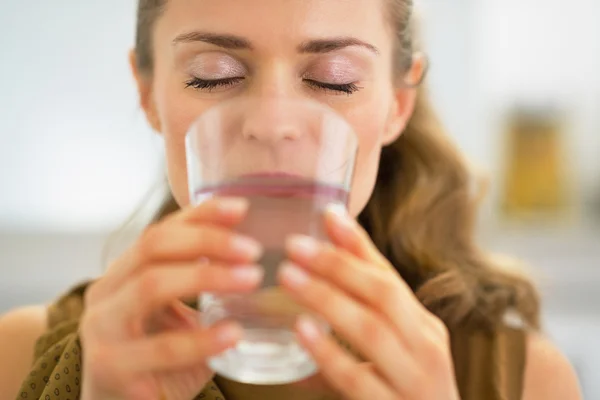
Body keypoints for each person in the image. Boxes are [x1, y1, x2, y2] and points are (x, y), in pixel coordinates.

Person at [0, 0, 582, 399]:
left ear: (396, 104)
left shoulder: (522, 380)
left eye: (333, 78)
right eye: (213, 74)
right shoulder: (18, 355)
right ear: (149, 93)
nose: (274, 122)